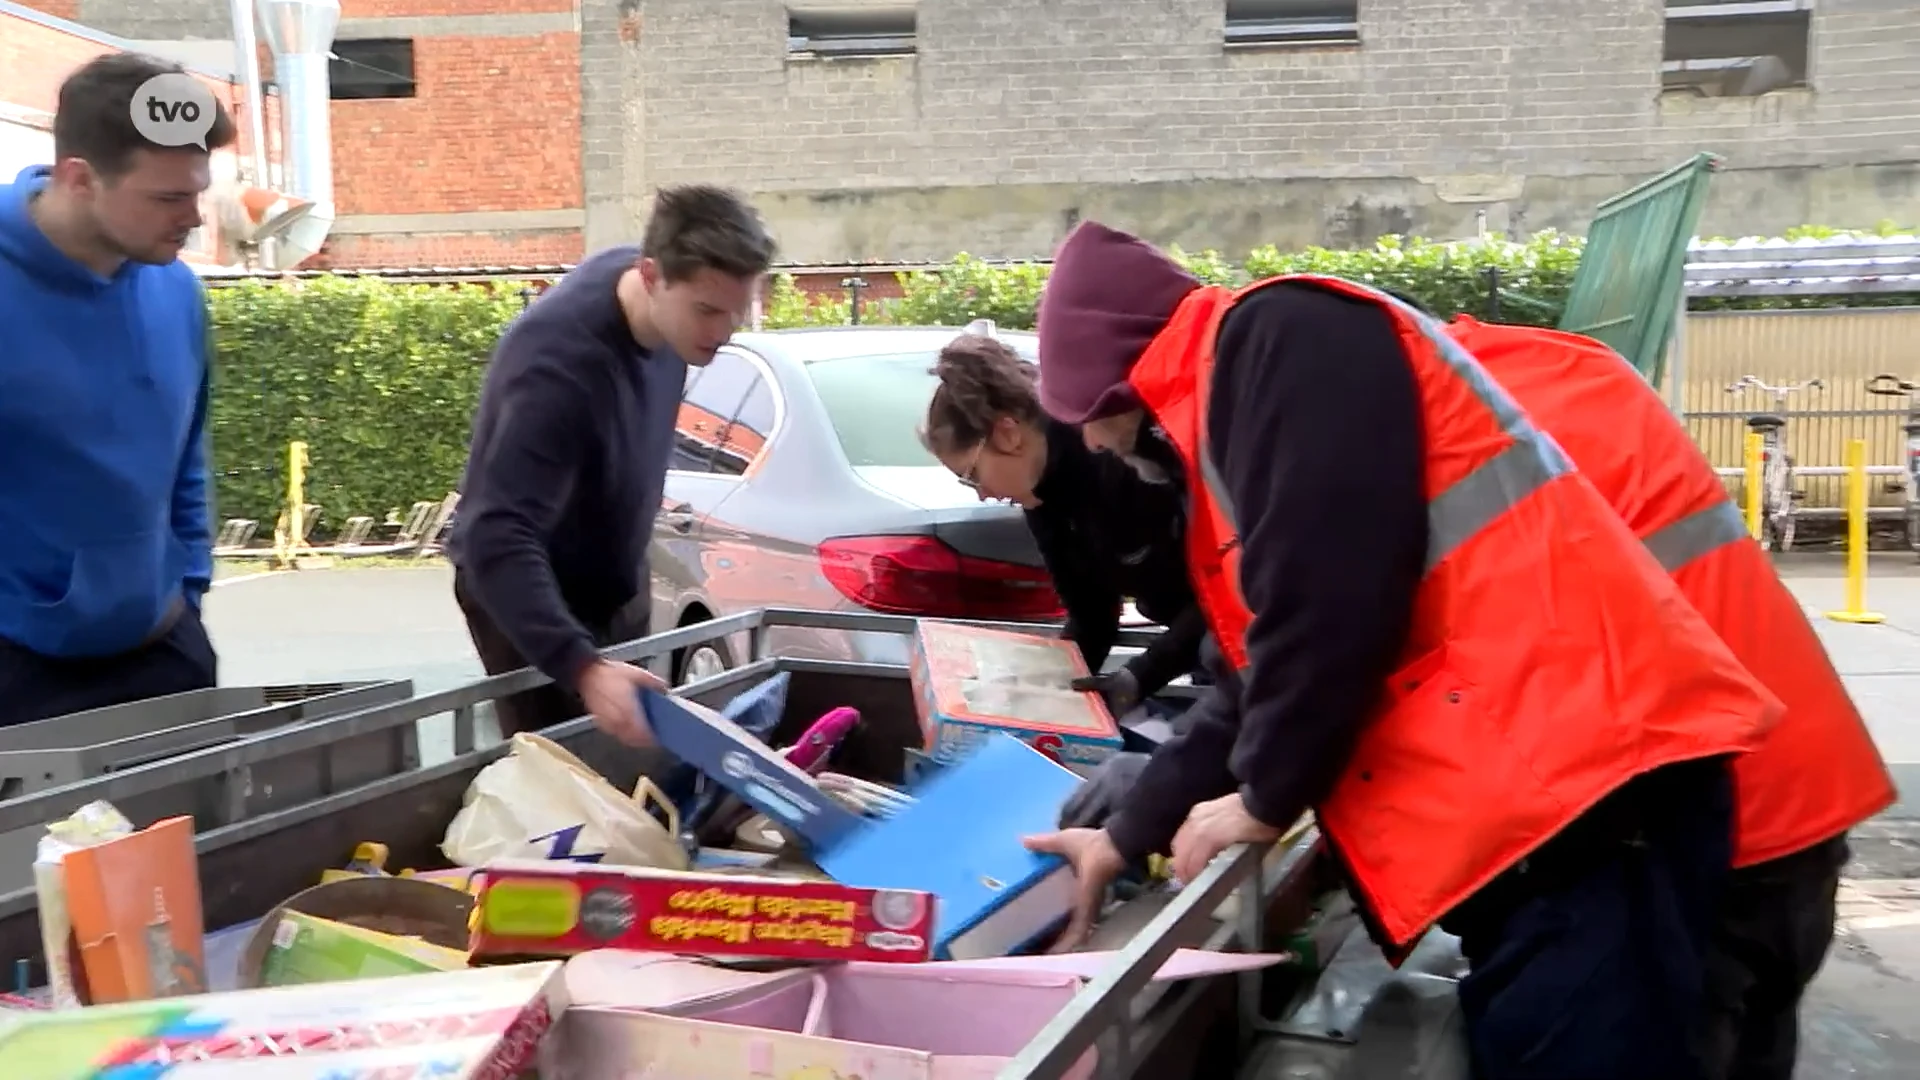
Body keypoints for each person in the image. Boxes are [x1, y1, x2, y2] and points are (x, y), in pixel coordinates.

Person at [1019, 220, 1784, 1080]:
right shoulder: (1239, 407)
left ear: (1123, 387)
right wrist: (1125, 833)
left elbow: (1329, 598)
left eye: (1096, 428)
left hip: (1590, 802)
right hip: (1537, 810)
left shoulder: (1280, 338)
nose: (1098, 451)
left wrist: (1267, 797)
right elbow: (1254, 670)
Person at [1443, 313, 1897, 1080]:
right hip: (1802, 795)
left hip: (1696, 836)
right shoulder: (1557, 364)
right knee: (1753, 1041)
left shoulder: (1435, 432)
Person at [450, 185, 775, 744]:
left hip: (613, 577)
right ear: (650, 276)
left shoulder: (667, 305)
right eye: (707, 310)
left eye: (736, 312)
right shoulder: (556, 367)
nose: (723, 332)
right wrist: (583, 668)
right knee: (562, 786)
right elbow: (494, 535)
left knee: (628, 764)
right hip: (528, 593)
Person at [0, 53, 234, 727]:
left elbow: (187, 458)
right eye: (167, 198)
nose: (193, 217)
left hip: (164, 657)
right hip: (15, 674)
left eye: (197, 191)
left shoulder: (178, 291)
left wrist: (188, 593)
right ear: (80, 179)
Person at [919, 331, 1207, 718]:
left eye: (973, 475)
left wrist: (1141, 675)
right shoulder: (1040, 494)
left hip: (1245, 628)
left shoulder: (1118, 460)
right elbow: (1092, 615)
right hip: (1195, 638)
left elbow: (1221, 589)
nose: (982, 494)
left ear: (1008, 433)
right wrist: (1042, 694)